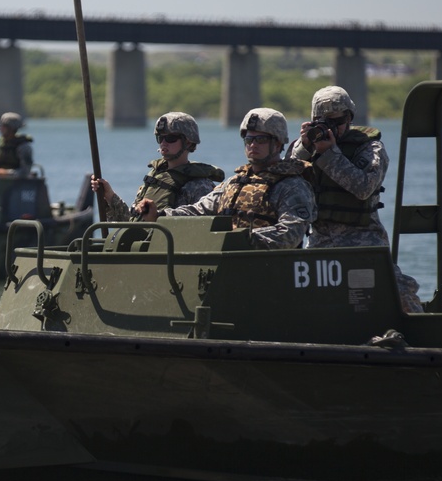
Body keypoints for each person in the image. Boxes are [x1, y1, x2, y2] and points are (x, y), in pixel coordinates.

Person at [288, 85, 424, 312]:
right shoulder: (306, 147)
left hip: (363, 240)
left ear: (349, 118)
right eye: (324, 121)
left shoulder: (370, 148)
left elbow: (363, 187)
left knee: (398, 290)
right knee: (307, 297)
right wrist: (304, 147)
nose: (332, 128)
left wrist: (329, 154)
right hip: (321, 239)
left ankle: (420, 337)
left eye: (337, 121)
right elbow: (286, 177)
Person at [138, 107, 315, 250]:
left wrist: (240, 239)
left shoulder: (291, 186)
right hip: (229, 269)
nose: (252, 145)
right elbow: (198, 211)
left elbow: (291, 233)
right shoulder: (233, 183)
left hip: (268, 270)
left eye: (260, 139)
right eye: (248, 139)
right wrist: (160, 215)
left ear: (277, 143)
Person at [91, 112, 224, 222]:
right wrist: (109, 197)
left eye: (171, 138)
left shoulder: (199, 186)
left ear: (188, 142)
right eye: (160, 138)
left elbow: (200, 228)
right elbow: (132, 221)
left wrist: (159, 217)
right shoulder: (154, 179)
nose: (164, 143)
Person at [0, 112, 34, 180]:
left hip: (17, 184)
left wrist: (7, 173)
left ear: (11, 128)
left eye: (3, 126)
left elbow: (25, 172)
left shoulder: (23, 147)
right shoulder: (2, 144)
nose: (0, 129)